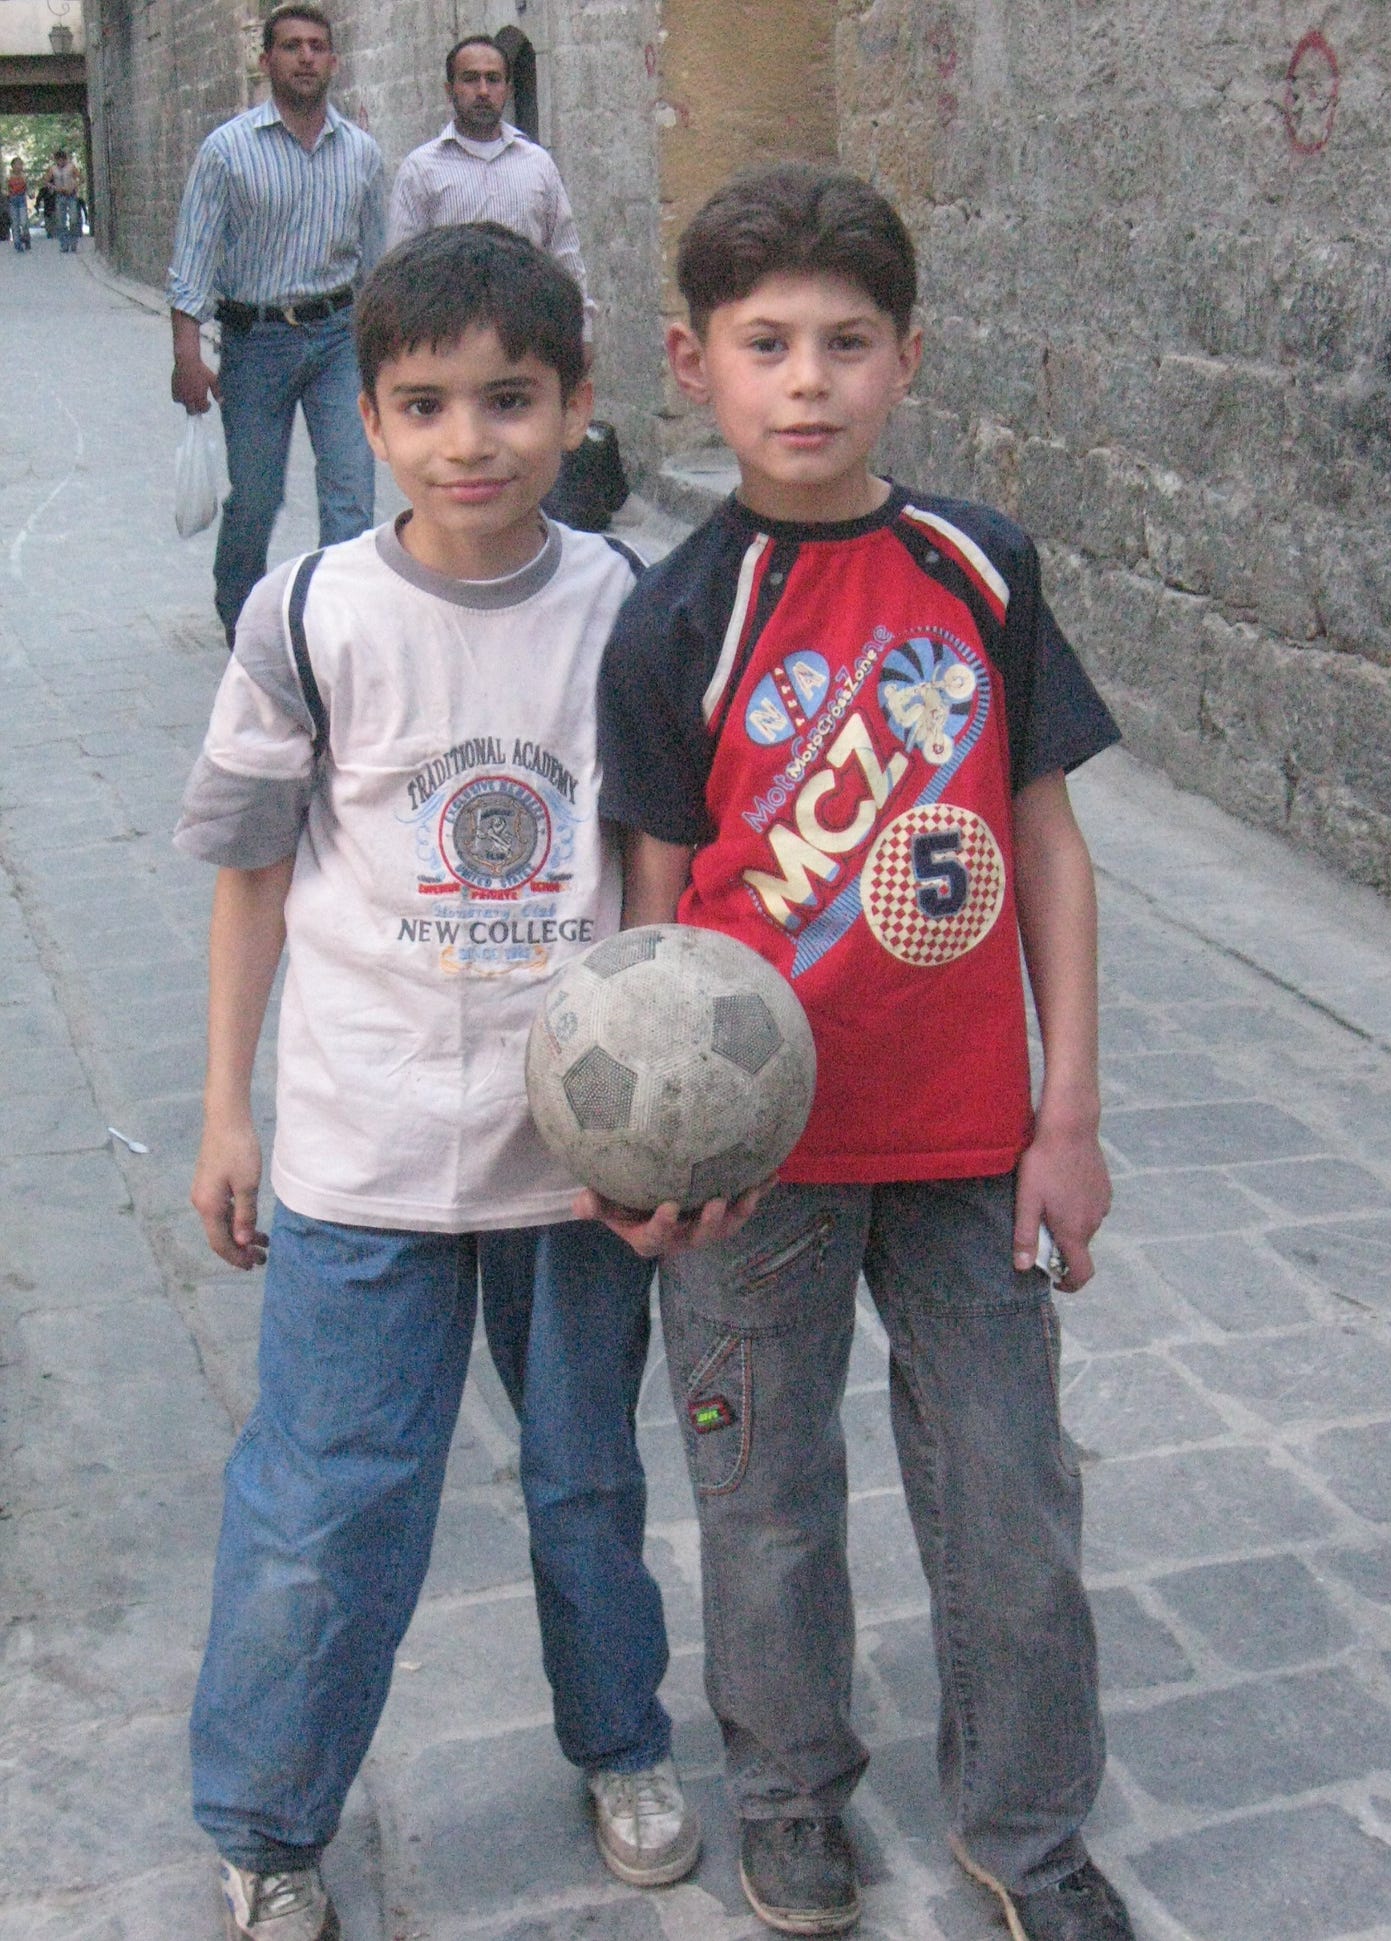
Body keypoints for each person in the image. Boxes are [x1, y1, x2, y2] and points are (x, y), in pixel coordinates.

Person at [591, 164, 1135, 1941]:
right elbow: (654, 927)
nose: (807, 380)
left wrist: (1070, 1112)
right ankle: (789, 1795)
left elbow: (1045, 845)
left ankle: (1028, 1830)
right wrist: (646, 1159)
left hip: (973, 1141)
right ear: (694, 361)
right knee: (765, 1502)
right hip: (761, 1170)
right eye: (767, 345)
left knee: (1009, 1503)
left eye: (845, 342)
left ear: (908, 358)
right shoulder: (677, 616)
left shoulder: (976, 567)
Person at [174, 223, 703, 1941]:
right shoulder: (313, 612)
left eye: (509, 400)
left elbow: (647, 870)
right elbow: (251, 871)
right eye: (424, 405)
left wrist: (663, 1113)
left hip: (570, 1157)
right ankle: (266, 1820)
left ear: (574, 404)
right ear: (372, 416)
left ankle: (620, 1740)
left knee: (585, 1483)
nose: (469, 440)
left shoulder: (622, 609)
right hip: (360, 1142)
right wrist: (228, 1111)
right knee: (330, 1498)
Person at [166, 2, 385, 648]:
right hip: (254, 342)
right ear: (266, 61)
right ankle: (239, 610)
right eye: (291, 46)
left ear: (334, 62)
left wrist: (386, 357)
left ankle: (336, 624)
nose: (306, 57)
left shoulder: (363, 155)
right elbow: (193, 259)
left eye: (317, 46)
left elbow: (376, 265)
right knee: (257, 499)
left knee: (350, 492)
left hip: (338, 338)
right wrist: (187, 358)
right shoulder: (227, 152)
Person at [386, 33, 592, 335]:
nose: (483, 91)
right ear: (449, 89)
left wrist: (582, 331)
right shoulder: (420, 170)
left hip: (528, 333)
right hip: (451, 338)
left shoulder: (537, 164)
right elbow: (401, 271)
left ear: (507, 89)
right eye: (470, 79)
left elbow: (565, 255)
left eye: (493, 79)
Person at [44, 148, 81, 252]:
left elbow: (81, 178)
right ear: (56, 160)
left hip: (71, 195)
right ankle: (64, 244)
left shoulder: (71, 167)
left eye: (62, 160)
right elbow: (46, 181)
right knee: (61, 221)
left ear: (65, 159)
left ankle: (73, 242)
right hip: (60, 195)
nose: (60, 162)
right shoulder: (53, 169)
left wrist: (73, 186)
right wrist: (55, 188)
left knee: (73, 219)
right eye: (58, 160)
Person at [7, 159, 30, 252]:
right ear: (12, 166)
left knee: (24, 222)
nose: (19, 167)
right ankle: (17, 243)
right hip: (12, 200)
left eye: (21, 164)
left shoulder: (24, 176)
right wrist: (7, 193)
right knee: (15, 223)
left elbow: (27, 187)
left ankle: (26, 237)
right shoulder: (8, 177)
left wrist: (30, 194)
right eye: (17, 165)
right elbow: (5, 188)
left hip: (22, 200)